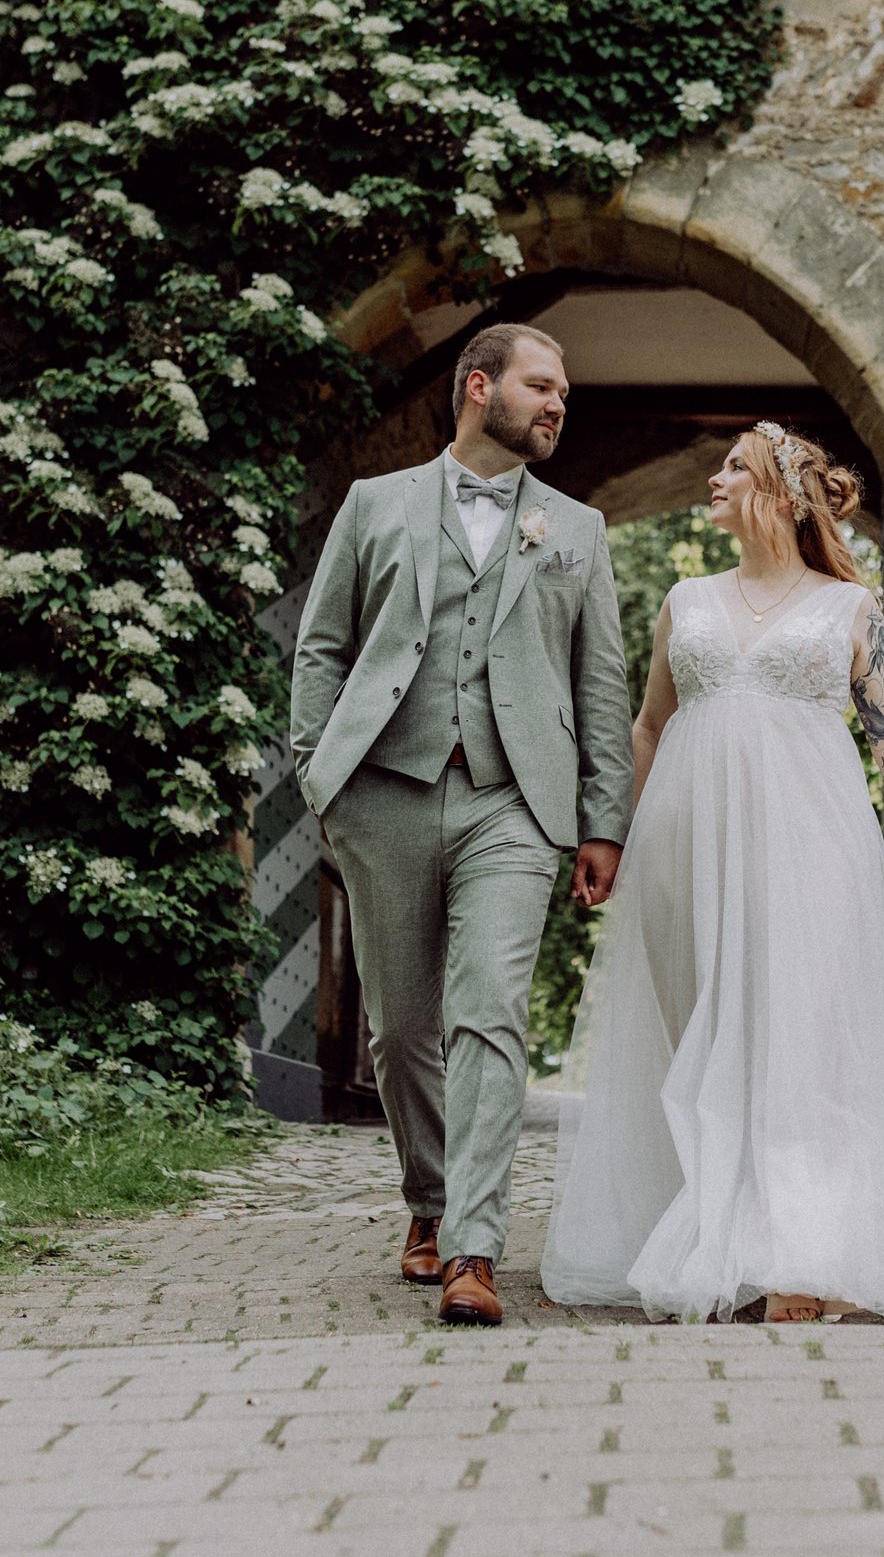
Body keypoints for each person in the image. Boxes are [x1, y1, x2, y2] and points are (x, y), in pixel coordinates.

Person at [541, 421, 884, 1325]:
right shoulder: (685, 600)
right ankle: (724, 1239)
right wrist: (612, 837)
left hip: (809, 848)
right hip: (683, 853)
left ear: (782, 493)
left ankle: (802, 1255)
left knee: (799, 1038)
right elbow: (651, 726)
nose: (713, 477)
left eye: (733, 466)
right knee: (703, 1038)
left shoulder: (846, 610)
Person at [289, 323, 635, 1326]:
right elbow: (322, 647)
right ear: (479, 388)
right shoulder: (374, 506)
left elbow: (599, 685)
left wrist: (600, 817)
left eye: (563, 388)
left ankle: (475, 1247)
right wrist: (322, 776)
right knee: (401, 1033)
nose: (558, 401)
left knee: (488, 1009)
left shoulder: (576, 528)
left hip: (514, 800)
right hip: (385, 790)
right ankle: (430, 1202)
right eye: (542, 383)